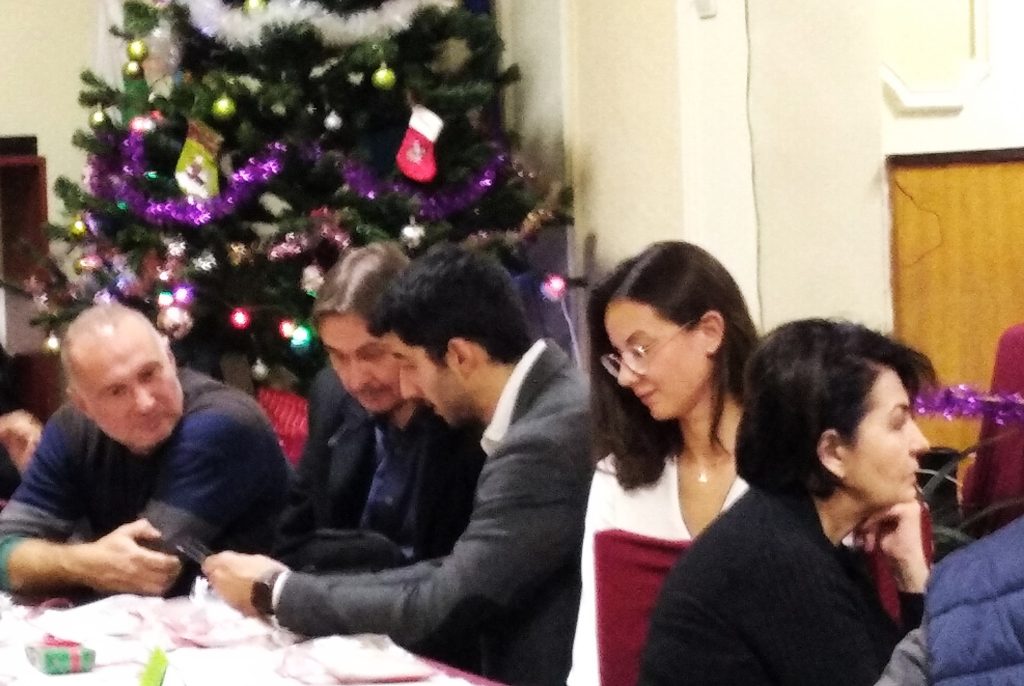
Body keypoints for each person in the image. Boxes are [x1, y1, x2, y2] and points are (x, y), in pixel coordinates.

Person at [204, 244, 593, 686]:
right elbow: (445, 574)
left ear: (460, 356)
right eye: (337, 356)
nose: (407, 387)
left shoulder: (541, 441)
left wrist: (278, 593)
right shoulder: (546, 406)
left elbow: (451, 598)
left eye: (405, 362)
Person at [639, 319, 933, 686]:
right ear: (832, 452)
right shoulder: (777, 558)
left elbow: (910, 671)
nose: (921, 443)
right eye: (898, 423)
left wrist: (909, 573)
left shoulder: (800, 535)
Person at [0, 303, 290, 597]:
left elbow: (148, 570)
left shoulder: (223, 423)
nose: (145, 403)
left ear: (170, 359)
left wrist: (63, 559)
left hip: (260, 618)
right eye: (116, 391)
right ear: (82, 405)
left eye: (149, 374)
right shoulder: (71, 429)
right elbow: (4, 548)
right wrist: (81, 562)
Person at [568, 241, 757, 686]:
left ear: (710, 331)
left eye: (641, 349)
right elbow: (593, 652)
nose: (626, 376)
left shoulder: (792, 465)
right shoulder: (619, 478)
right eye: (618, 358)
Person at [274, 242, 483, 573]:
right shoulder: (331, 396)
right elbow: (291, 542)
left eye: (372, 354)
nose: (355, 380)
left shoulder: (466, 412)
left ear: (414, 340)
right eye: (337, 356)